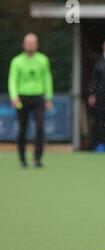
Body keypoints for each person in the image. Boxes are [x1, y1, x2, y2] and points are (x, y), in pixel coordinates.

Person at [8, 33, 53, 168]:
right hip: (22, 97)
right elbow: (12, 79)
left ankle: (37, 159)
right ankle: (22, 160)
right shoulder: (16, 61)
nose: (30, 45)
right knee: (22, 129)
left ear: (37, 44)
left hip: (38, 97)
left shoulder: (43, 60)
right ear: (23, 44)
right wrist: (14, 96)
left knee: (40, 128)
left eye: (32, 43)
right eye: (28, 43)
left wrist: (49, 97)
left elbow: (47, 78)